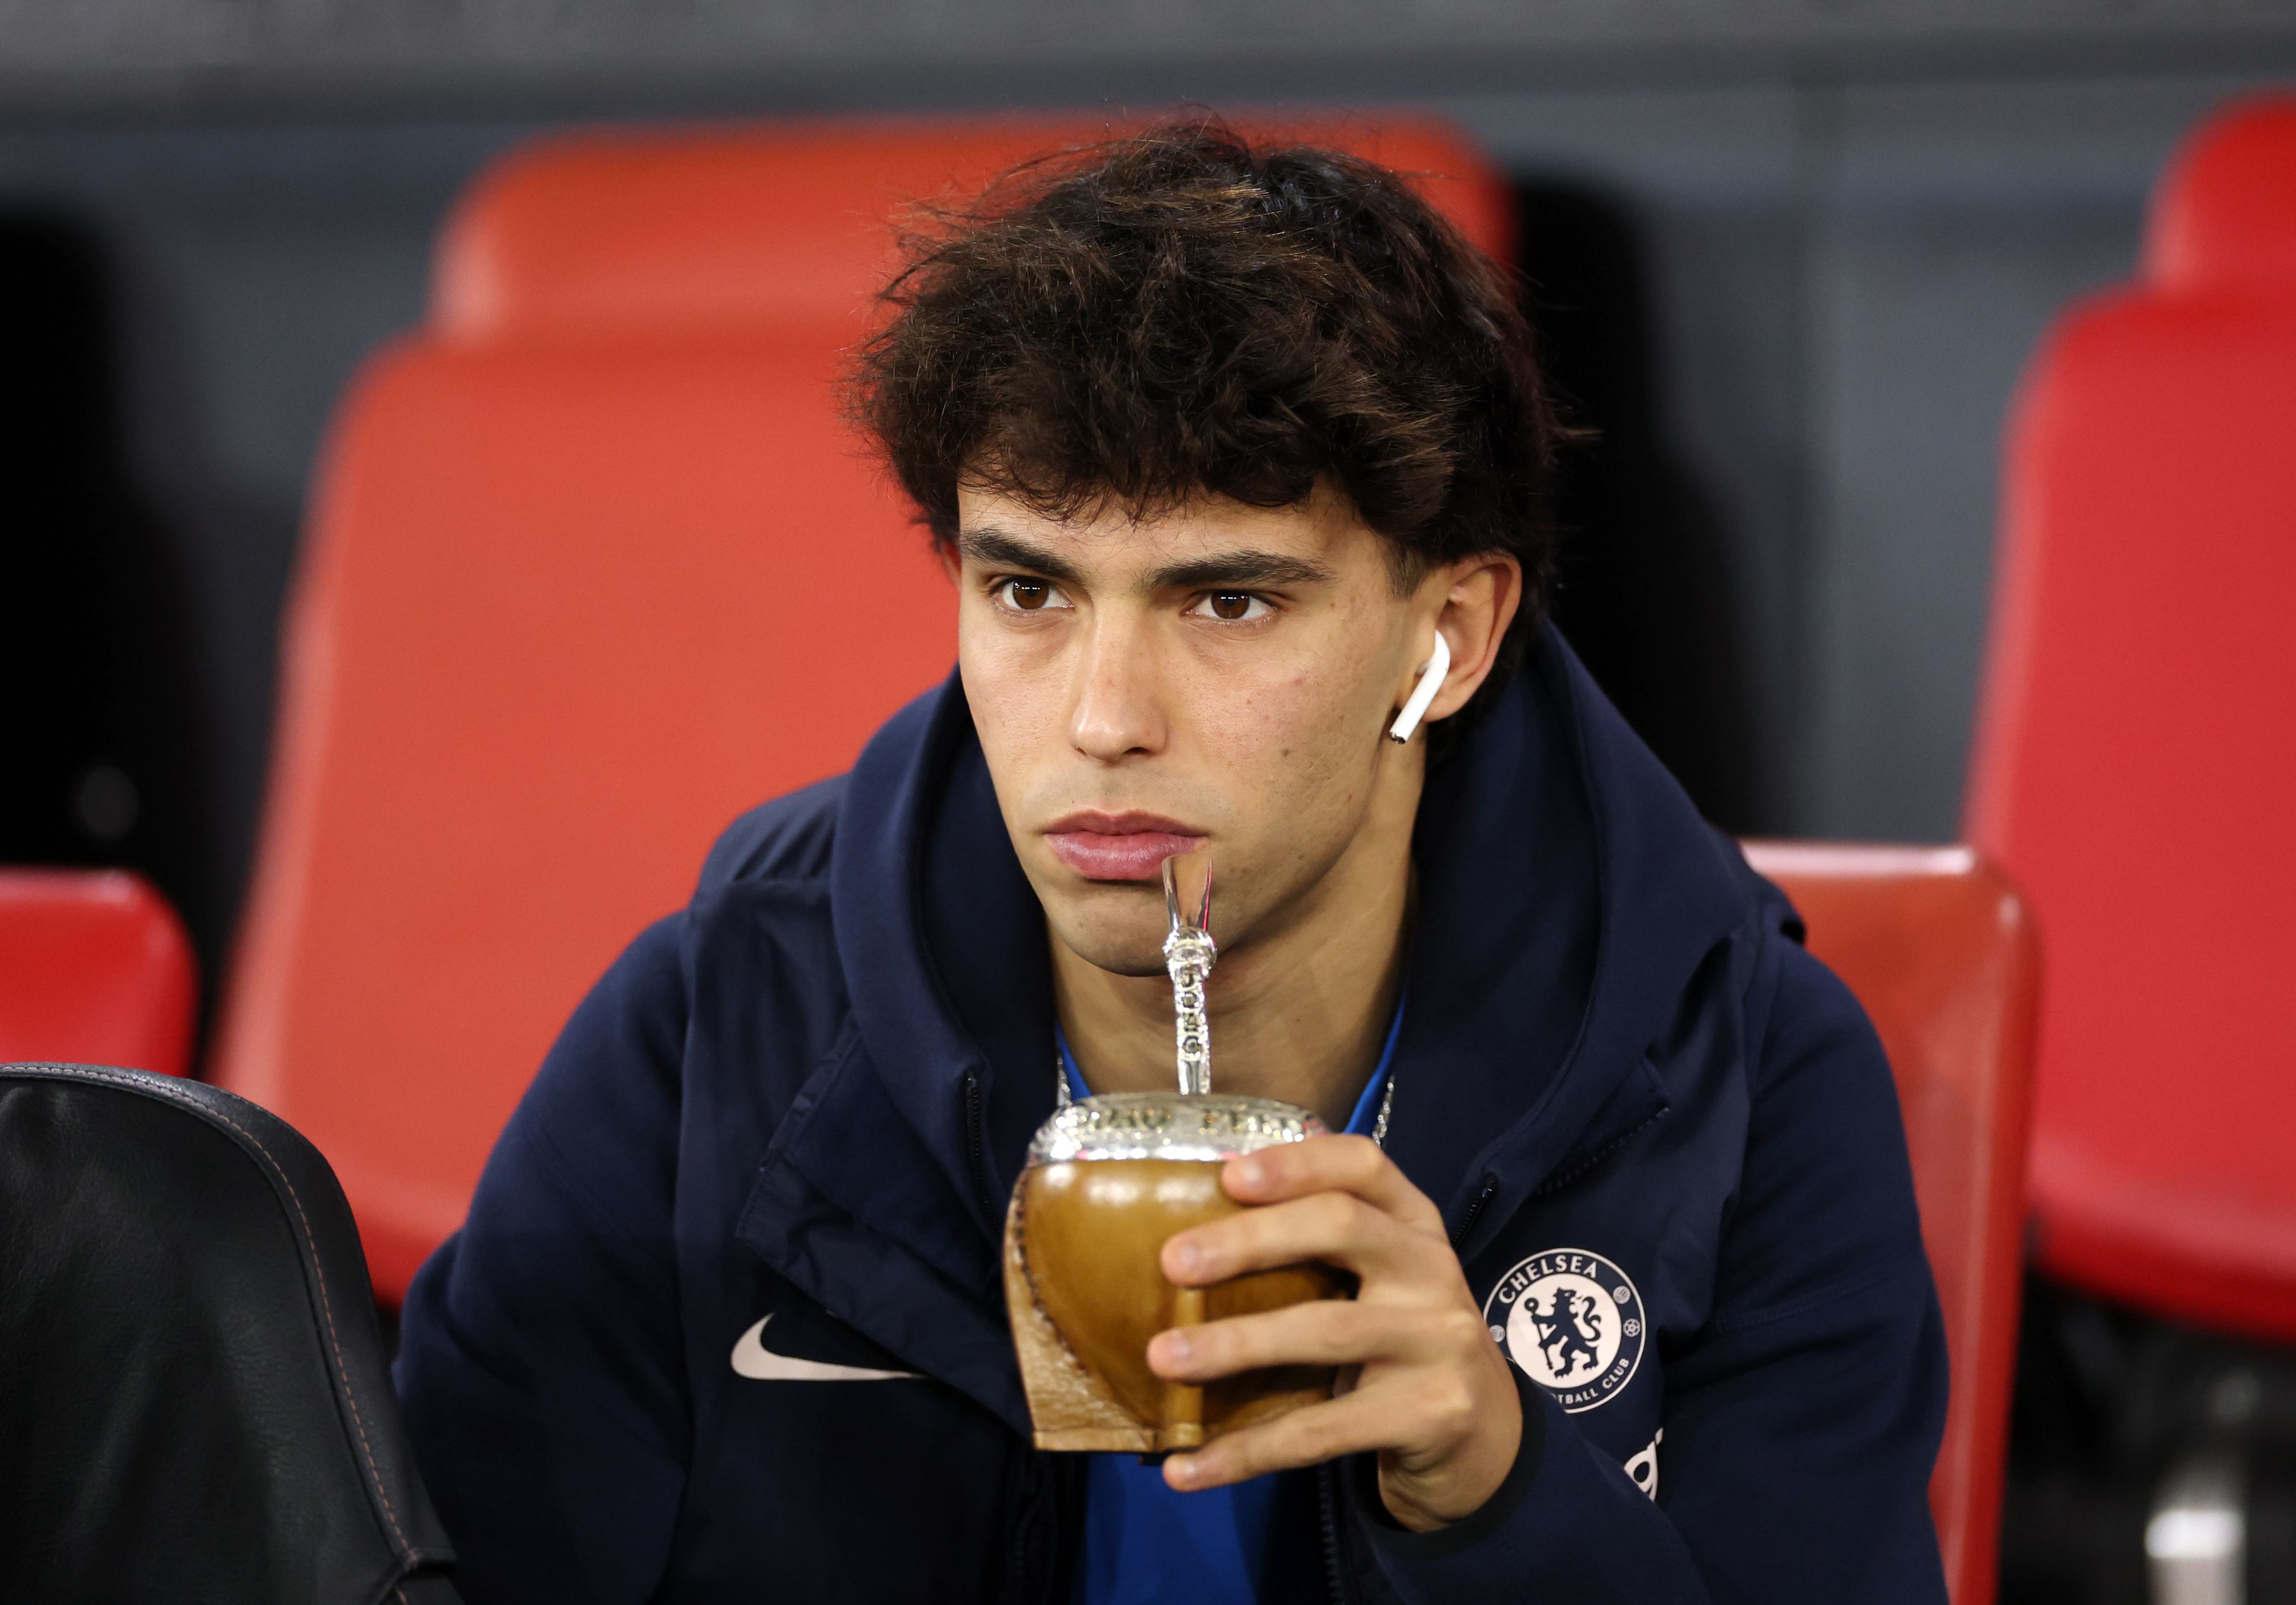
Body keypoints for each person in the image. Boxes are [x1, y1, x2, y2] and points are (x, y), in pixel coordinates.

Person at [395, 122, 1949, 1604]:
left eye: (1228, 603)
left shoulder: (1752, 1075)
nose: (1104, 718)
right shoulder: (721, 1024)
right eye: (1028, 589)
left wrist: (1499, 1490)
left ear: (1449, 637)